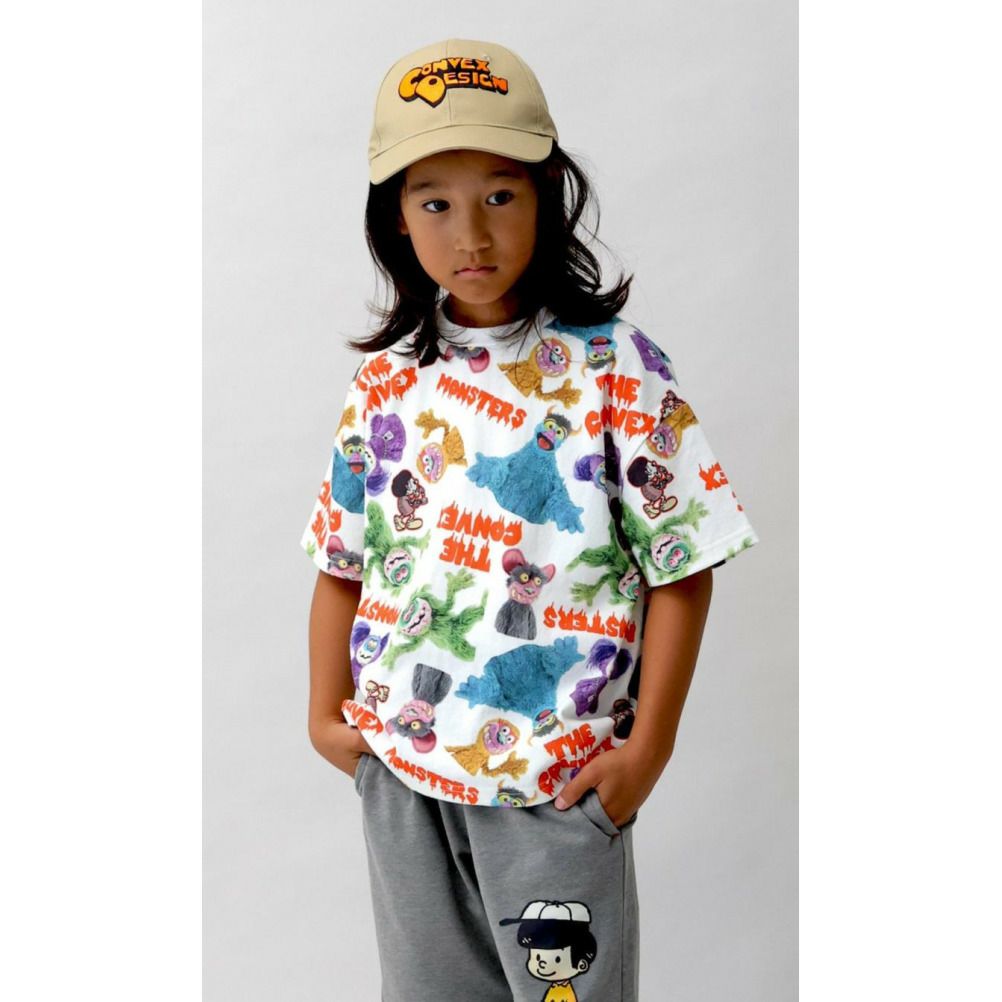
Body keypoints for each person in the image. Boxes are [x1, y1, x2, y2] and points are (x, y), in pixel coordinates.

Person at [300, 37, 759, 1002]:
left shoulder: (616, 367)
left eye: (501, 195)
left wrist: (648, 751)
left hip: (557, 781)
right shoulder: (385, 384)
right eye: (436, 203)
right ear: (396, 218)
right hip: (403, 772)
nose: (471, 234)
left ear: (549, 197)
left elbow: (684, 562)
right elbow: (343, 562)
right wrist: (324, 714)